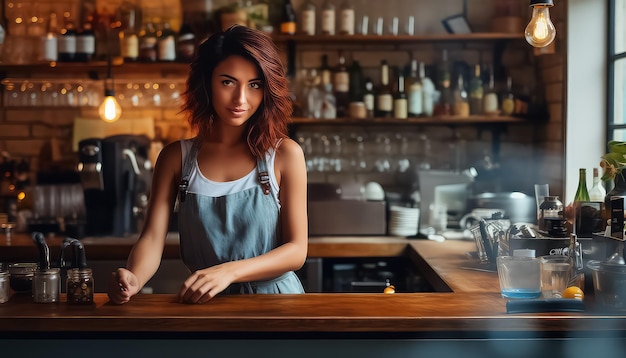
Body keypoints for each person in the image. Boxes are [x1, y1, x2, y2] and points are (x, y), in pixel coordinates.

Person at [107, 25, 308, 304]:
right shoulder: (176, 157)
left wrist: (229, 272)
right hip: (205, 305)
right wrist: (134, 278)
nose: (241, 99)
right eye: (228, 82)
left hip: (277, 305)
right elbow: (152, 239)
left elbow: (297, 251)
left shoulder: (285, 154)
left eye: (254, 85)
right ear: (207, 83)